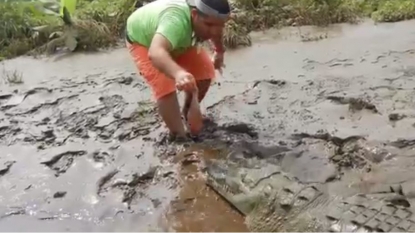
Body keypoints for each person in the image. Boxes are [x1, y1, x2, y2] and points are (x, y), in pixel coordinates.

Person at [125, 0, 230, 141]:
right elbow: (155, 53)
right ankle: (178, 136)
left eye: (219, 25)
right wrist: (179, 73)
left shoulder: (208, 21)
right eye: (208, 25)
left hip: (177, 38)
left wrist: (219, 52)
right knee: (165, 88)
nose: (213, 31)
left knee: (205, 73)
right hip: (144, 41)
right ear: (194, 14)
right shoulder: (175, 22)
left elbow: (215, 30)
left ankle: (186, 113)